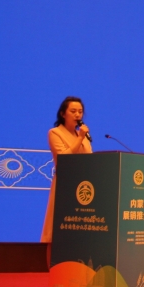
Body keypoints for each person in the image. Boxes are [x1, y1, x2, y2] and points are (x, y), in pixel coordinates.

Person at [41, 96, 92, 267]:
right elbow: (64, 159)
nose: (78, 115)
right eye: (73, 111)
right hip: (64, 187)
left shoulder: (83, 136)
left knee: (78, 232)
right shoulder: (55, 133)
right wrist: (80, 138)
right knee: (56, 233)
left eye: (80, 111)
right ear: (63, 114)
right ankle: (53, 273)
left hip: (82, 189)